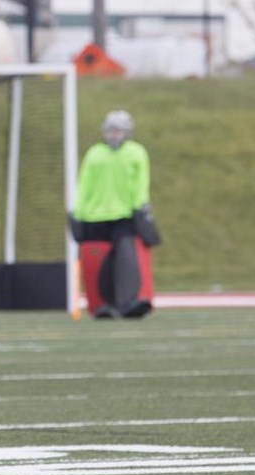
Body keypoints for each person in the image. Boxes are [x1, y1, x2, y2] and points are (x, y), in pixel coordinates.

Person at [72, 109, 155, 319]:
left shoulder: (136, 152)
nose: (113, 135)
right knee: (99, 262)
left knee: (126, 256)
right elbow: (84, 185)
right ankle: (102, 304)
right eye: (110, 131)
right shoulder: (95, 153)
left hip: (123, 215)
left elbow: (141, 183)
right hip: (94, 216)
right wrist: (77, 212)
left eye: (117, 131)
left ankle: (127, 302)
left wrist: (140, 207)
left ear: (127, 132)